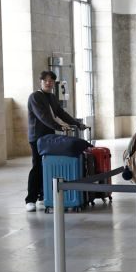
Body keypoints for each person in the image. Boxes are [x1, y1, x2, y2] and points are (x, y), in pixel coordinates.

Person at [25, 70, 87, 211]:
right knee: (37, 167)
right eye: (46, 80)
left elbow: (61, 113)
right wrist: (59, 126)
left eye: (51, 81)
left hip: (49, 137)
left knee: (47, 166)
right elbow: (43, 116)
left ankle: (43, 196)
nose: (48, 83)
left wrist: (77, 123)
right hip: (37, 137)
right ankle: (30, 199)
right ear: (40, 82)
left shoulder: (52, 97)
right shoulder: (35, 97)